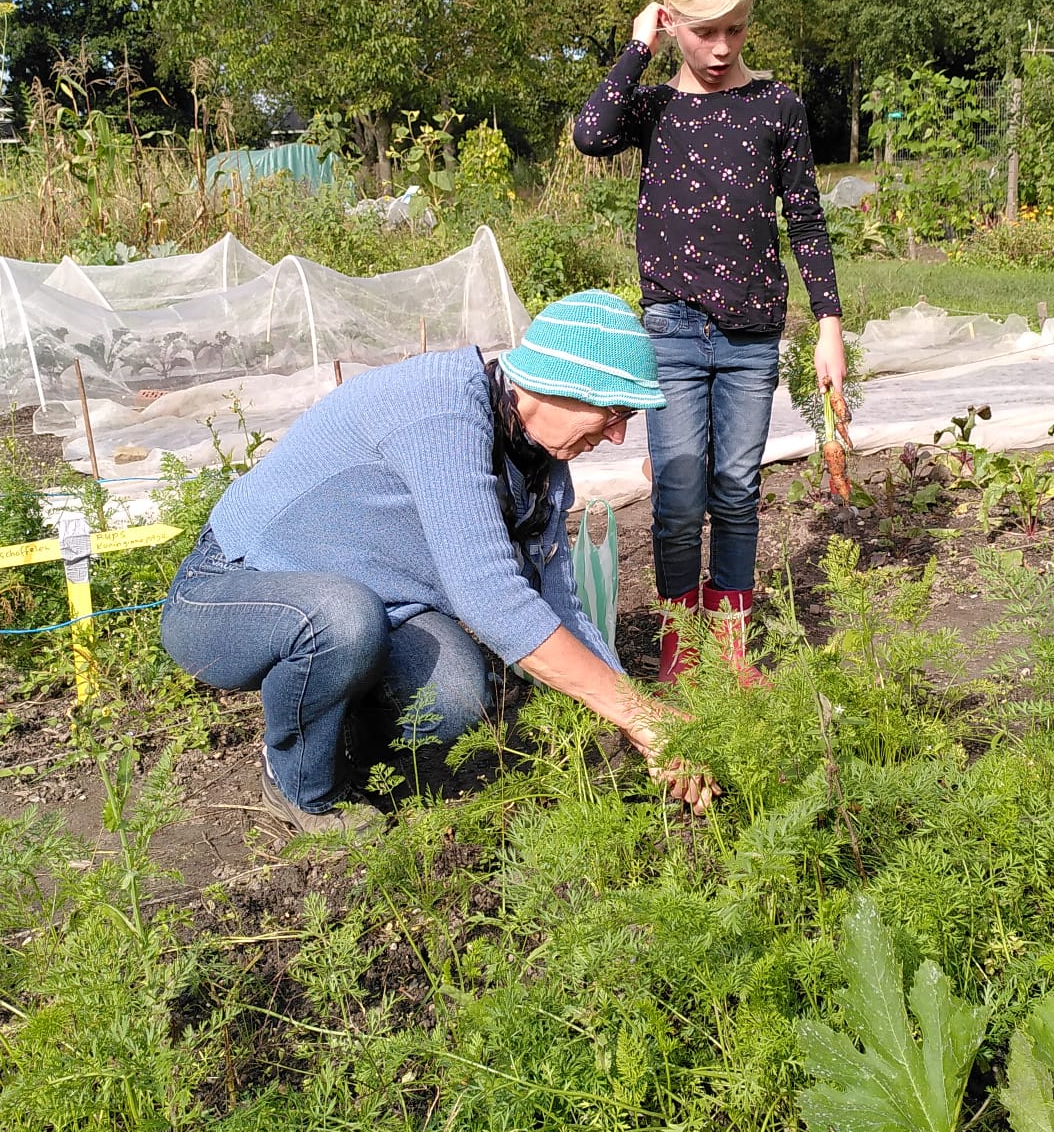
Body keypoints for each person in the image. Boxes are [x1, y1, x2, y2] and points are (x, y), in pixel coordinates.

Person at [160, 291, 718, 835]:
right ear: (561, 385)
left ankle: (342, 744)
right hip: (228, 591)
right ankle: (298, 783)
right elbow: (489, 595)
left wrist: (634, 715)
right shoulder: (440, 414)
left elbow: (558, 601)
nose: (618, 435)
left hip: (373, 604)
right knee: (342, 621)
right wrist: (639, 713)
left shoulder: (537, 460)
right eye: (614, 412)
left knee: (456, 694)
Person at [573, 0, 845, 682]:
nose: (721, 48)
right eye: (703, 31)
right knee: (679, 491)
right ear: (670, 20)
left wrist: (828, 325)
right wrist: (638, 48)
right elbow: (591, 134)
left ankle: (729, 649)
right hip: (673, 331)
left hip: (752, 337)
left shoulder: (776, 106)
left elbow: (807, 220)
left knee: (735, 490)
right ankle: (679, 647)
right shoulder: (654, 107)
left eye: (735, 28)